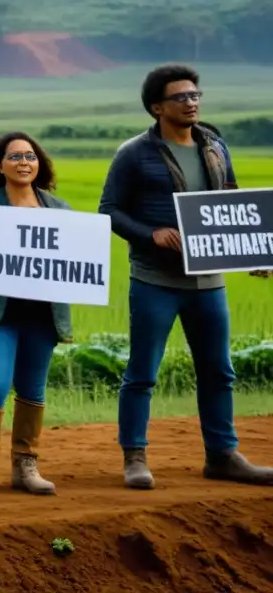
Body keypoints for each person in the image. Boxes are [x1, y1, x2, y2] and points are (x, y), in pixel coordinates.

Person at [99, 64, 273, 489]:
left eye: (195, 95)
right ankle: (135, 458)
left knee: (218, 370)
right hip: (155, 280)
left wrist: (252, 250)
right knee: (142, 372)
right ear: (157, 107)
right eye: (181, 97)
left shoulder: (214, 146)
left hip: (209, 281)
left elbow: (228, 198)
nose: (191, 102)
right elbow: (110, 211)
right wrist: (150, 234)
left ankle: (223, 455)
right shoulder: (134, 153)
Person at [0, 132, 73, 503]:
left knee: (33, 390)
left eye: (31, 156)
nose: (25, 162)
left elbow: (75, 259)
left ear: (40, 164)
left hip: (43, 315)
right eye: (16, 156)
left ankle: (26, 465)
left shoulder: (60, 210)